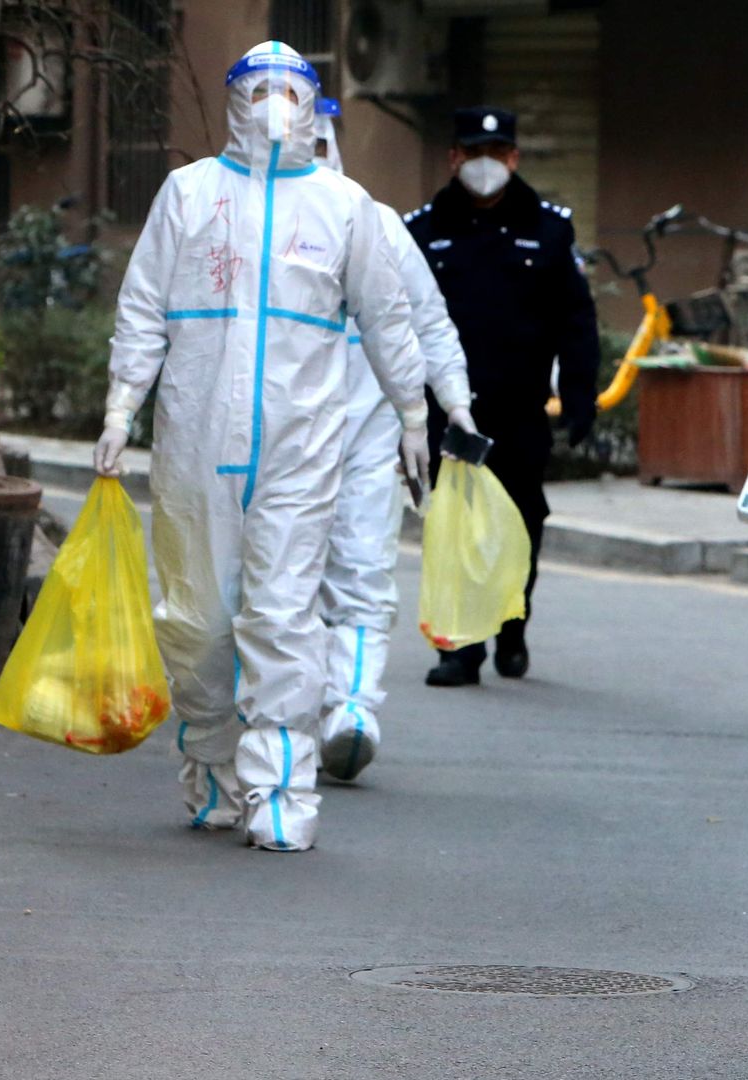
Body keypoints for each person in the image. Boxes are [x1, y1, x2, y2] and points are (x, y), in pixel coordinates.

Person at [93, 42, 431, 852]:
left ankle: (282, 793)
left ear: (313, 105)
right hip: (194, 442)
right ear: (235, 101)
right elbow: (142, 307)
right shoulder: (189, 193)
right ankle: (212, 764)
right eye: (258, 89)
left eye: (289, 89)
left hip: (299, 448)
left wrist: (413, 413)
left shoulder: (344, 206)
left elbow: (387, 321)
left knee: (282, 618)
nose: (274, 103)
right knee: (197, 621)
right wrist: (120, 405)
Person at [403, 106, 600, 687]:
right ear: (453, 158)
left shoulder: (550, 229)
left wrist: (581, 396)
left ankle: (512, 622)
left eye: (497, 153)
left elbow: (576, 321)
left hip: (520, 410)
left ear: (513, 158)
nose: (484, 165)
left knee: (523, 519)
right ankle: (461, 647)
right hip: (450, 410)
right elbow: (399, 324)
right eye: (473, 153)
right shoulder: (423, 230)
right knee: (458, 524)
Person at [309, 98, 476, 783]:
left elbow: (428, 325)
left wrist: (452, 408)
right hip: (262, 442)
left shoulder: (374, 225)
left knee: (362, 573)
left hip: (365, 434)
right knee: (275, 583)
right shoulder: (235, 222)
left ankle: (350, 709)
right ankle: (281, 713)